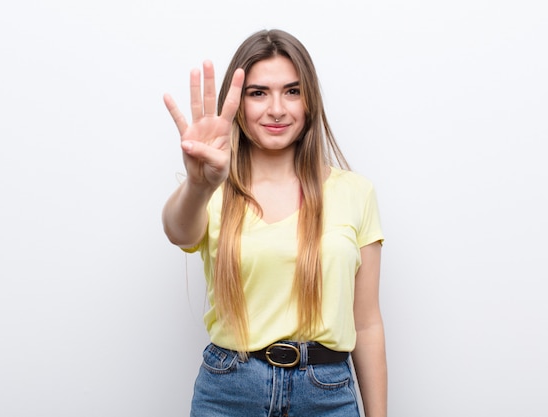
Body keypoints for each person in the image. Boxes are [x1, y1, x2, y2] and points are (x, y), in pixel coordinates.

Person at [162, 29, 387, 417]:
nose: (277, 109)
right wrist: (199, 185)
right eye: (258, 93)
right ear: (240, 103)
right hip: (229, 392)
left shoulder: (356, 192)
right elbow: (177, 230)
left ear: (310, 101)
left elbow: (366, 324)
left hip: (327, 395)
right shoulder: (212, 190)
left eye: (292, 91)